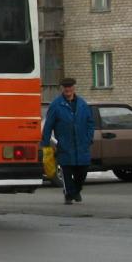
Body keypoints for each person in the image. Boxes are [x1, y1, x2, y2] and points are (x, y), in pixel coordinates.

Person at [41, 77, 94, 205]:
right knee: (67, 172)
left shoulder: (82, 104)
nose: (67, 89)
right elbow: (48, 125)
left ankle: (76, 190)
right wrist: (46, 143)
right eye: (65, 87)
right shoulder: (56, 105)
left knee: (82, 172)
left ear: (74, 88)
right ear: (62, 89)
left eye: (70, 87)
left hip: (82, 145)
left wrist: (88, 138)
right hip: (65, 145)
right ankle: (69, 194)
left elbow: (90, 123)